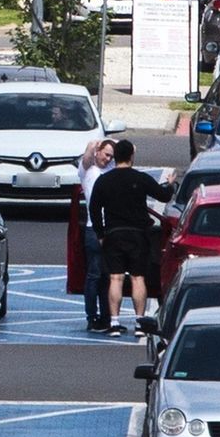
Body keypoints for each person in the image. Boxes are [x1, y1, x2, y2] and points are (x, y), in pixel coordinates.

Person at [88, 139, 176, 338]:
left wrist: (100, 233)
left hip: (113, 234)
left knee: (115, 278)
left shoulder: (104, 180)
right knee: (138, 278)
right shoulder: (140, 178)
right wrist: (170, 185)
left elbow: (94, 209)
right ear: (131, 157)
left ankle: (114, 322)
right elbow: (163, 196)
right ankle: (139, 323)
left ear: (116, 157)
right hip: (138, 235)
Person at [79, 139, 116, 333]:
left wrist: (112, 147)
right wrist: (94, 145)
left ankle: (106, 317)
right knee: (94, 275)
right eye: (105, 154)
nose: (107, 158)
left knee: (106, 276)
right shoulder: (88, 170)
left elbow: (130, 151)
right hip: (94, 229)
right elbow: (87, 155)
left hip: (109, 228)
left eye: (111, 156)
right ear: (98, 152)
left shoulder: (109, 171)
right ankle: (92, 317)